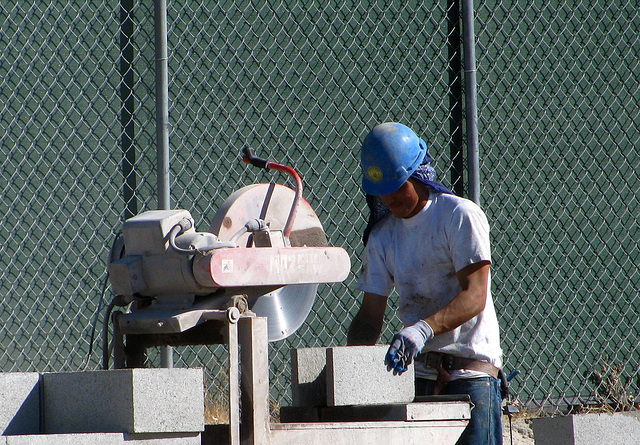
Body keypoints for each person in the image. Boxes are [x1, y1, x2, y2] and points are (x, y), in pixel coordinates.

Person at [347, 122, 503, 445]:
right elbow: (369, 316)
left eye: (397, 186)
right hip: (418, 379)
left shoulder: (458, 216)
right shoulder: (382, 236)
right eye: (381, 191)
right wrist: (350, 370)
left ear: (419, 174)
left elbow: (475, 294)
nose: (389, 198)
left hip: (471, 378)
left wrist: (422, 329)